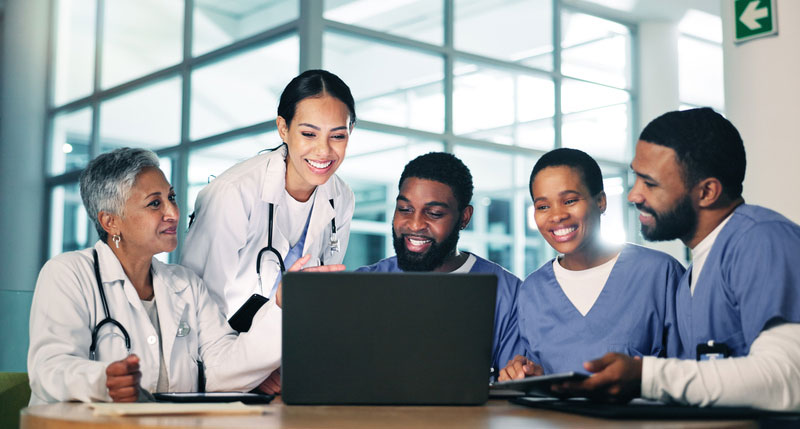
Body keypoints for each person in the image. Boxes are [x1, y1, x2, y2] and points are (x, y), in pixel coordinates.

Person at [555, 108, 800, 416]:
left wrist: (646, 377)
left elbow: (788, 382)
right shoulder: (693, 273)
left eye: (649, 184)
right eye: (635, 177)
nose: (633, 195)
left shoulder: (766, 241)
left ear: (706, 192)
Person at [28, 148, 285, 404]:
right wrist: (104, 381)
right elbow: (49, 368)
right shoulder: (69, 273)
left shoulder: (187, 284)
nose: (173, 213)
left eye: (171, 197)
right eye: (154, 203)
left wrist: (282, 307)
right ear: (110, 222)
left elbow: (224, 371)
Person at [181, 69, 356, 317]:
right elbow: (196, 303)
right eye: (308, 134)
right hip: (226, 347)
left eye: (337, 136)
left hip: (296, 342)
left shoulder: (341, 197)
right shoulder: (234, 193)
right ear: (283, 128)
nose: (323, 150)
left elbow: (320, 287)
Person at [498, 148, 684, 380]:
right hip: (555, 417)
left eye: (570, 201)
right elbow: (536, 377)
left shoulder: (659, 273)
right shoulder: (532, 290)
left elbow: (689, 371)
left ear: (601, 201)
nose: (557, 216)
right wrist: (527, 374)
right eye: (543, 206)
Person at [357, 152, 521, 371]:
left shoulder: (507, 293)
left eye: (434, 213)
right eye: (405, 209)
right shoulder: (363, 284)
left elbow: (512, 383)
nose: (415, 224)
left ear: (464, 218)